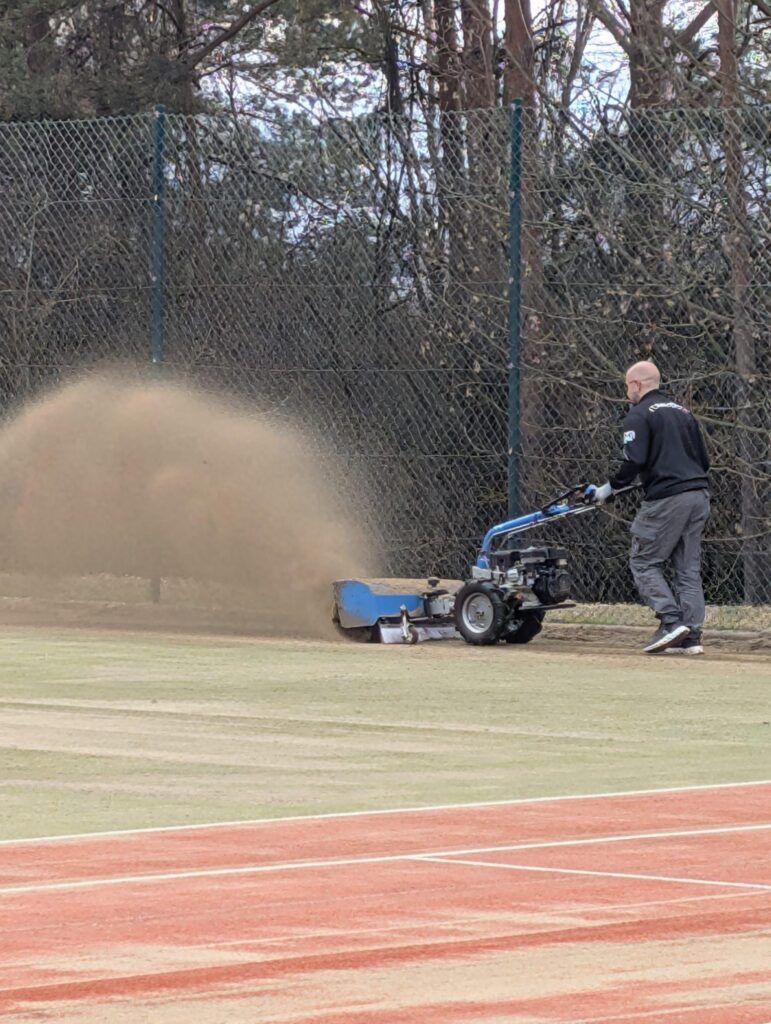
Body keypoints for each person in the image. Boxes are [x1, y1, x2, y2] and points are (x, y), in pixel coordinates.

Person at [585, 361, 710, 655]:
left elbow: (634, 460)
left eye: (628, 385)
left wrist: (607, 489)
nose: (627, 391)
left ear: (637, 384)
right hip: (698, 495)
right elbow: (703, 460)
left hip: (667, 500)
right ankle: (691, 637)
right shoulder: (683, 413)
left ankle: (670, 621)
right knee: (687, 569)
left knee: (643, 562)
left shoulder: (638, 415)